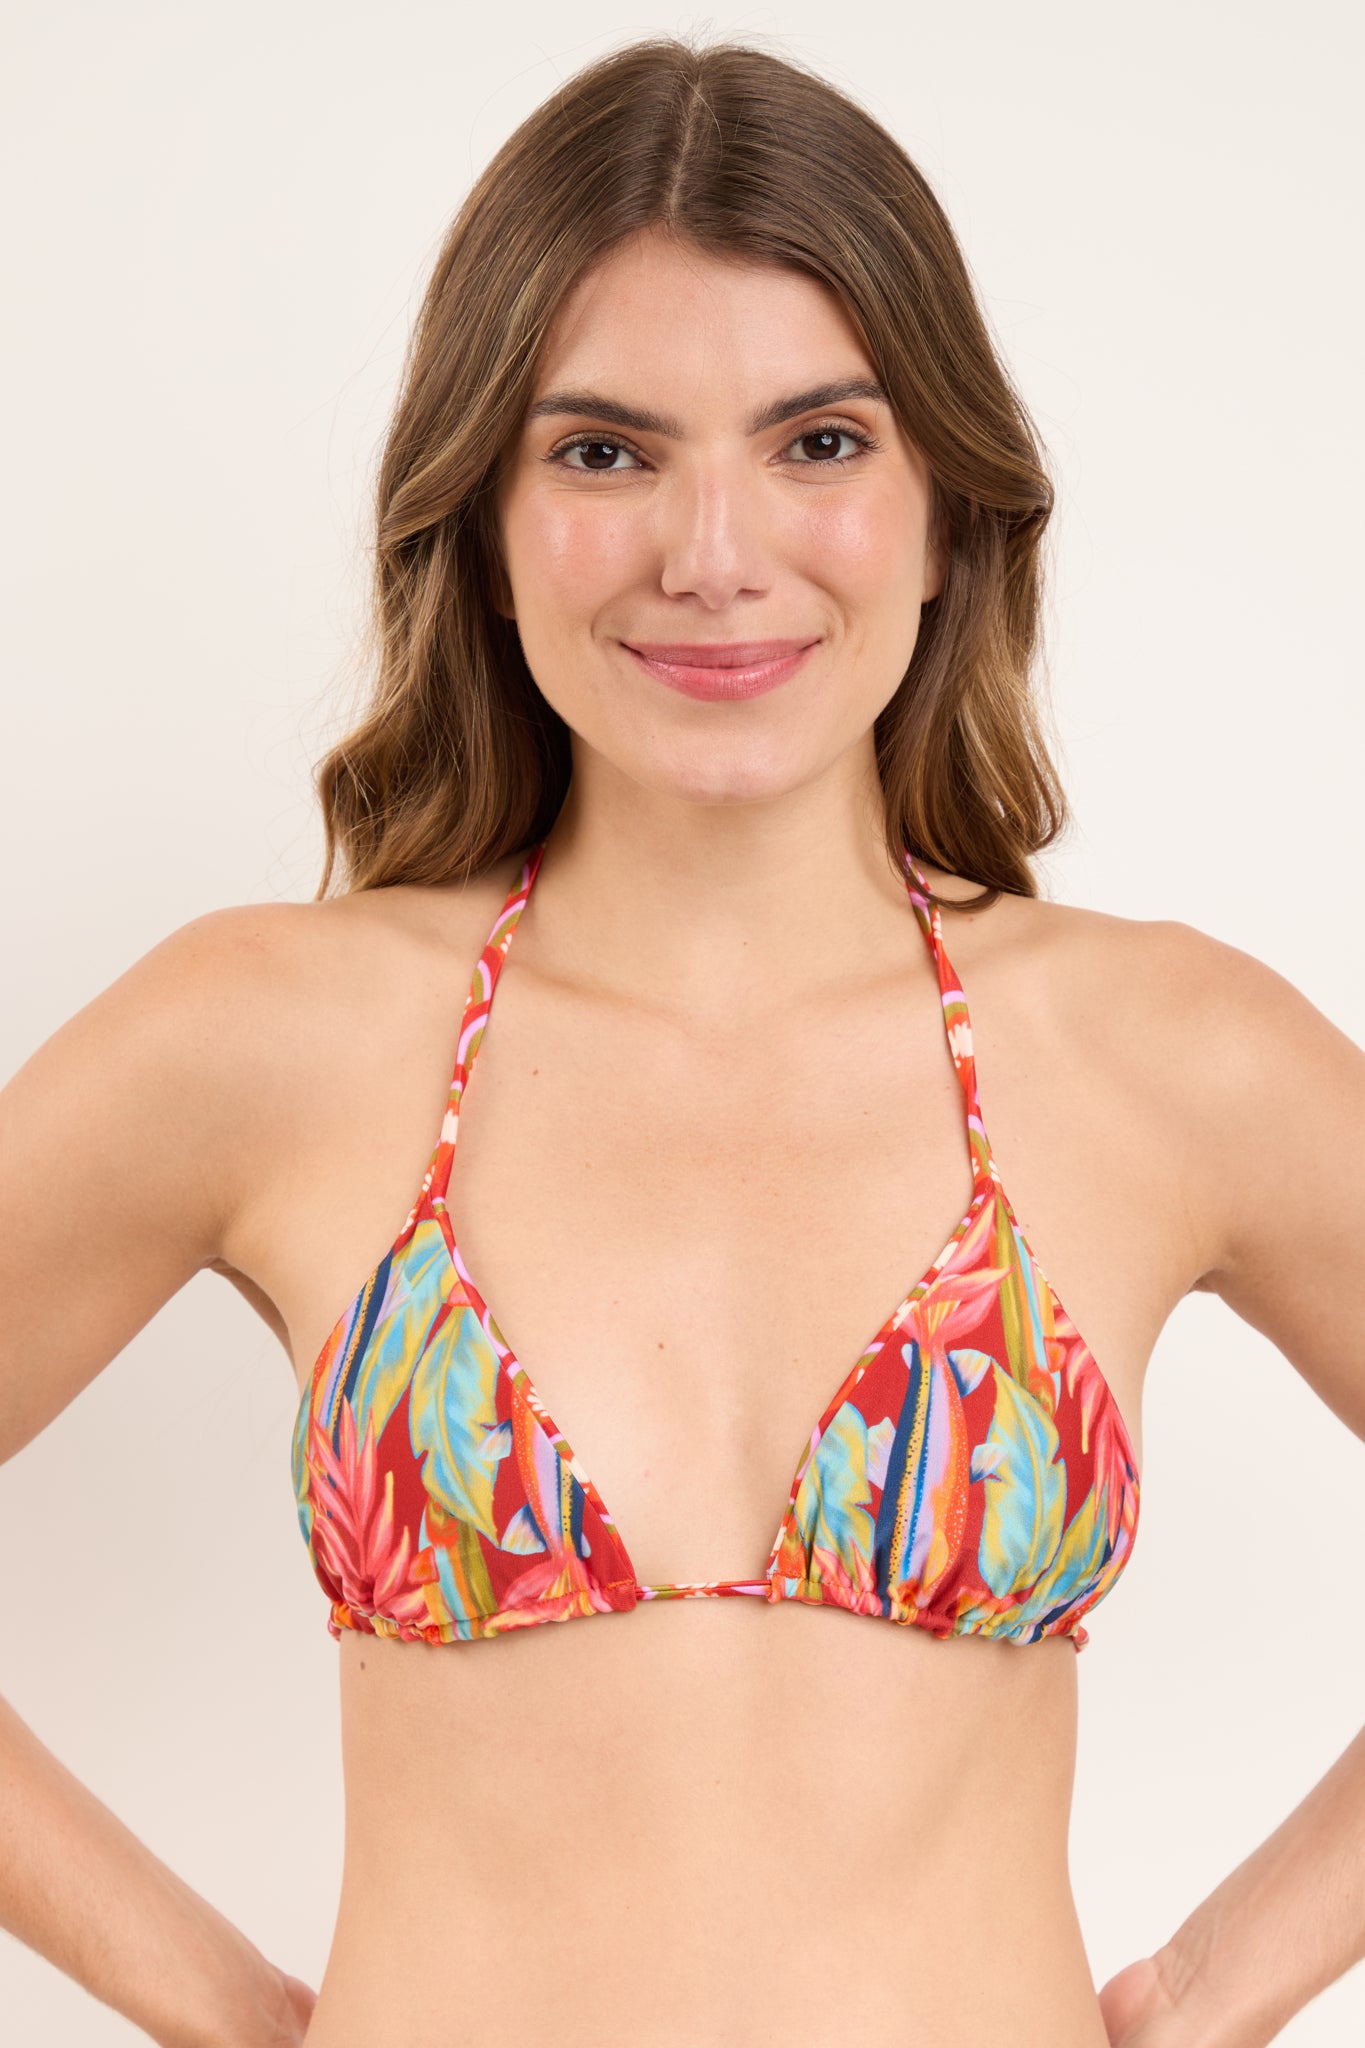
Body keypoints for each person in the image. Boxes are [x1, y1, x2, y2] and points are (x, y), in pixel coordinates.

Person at [2, 30, 1362, 2048]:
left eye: (816, 442)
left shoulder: (1164, 1056)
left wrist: (1214, 1985)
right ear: (479, 517)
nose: (711, 554)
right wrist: (222, 2006)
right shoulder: (269, 1035)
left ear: (943, 507)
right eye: (602, 452)